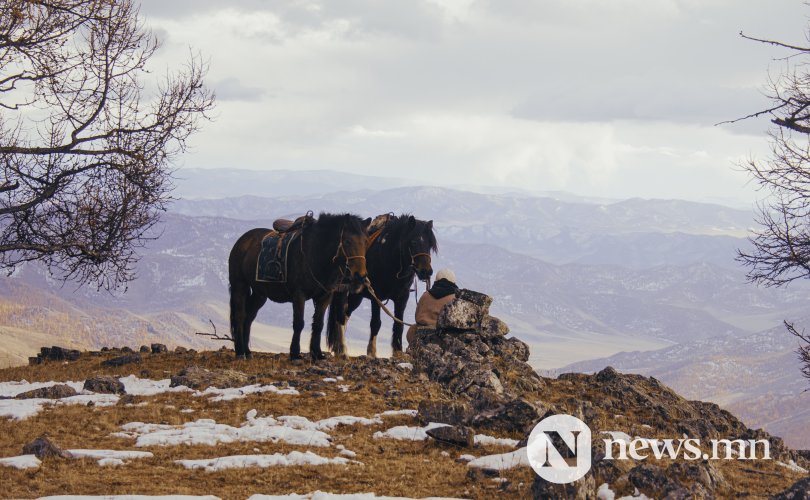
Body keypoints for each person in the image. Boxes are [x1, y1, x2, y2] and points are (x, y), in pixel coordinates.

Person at [406, 268, 459, 345]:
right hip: (441, 337)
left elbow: (417, 316)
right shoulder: (455, 298)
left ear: (436, 280)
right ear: (453, 282)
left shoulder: (425, 295)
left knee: (412, 329)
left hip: (419, 335)